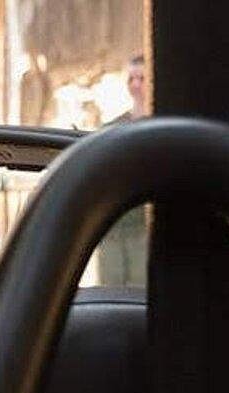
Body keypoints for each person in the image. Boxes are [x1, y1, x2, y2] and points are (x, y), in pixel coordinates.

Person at [97, 55, 149, 287]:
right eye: (131, 79)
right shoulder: (112, 129)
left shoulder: (165, 125)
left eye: (141, 78)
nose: (135, 85)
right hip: (115, 226)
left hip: (144, 228)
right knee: (111, 290)